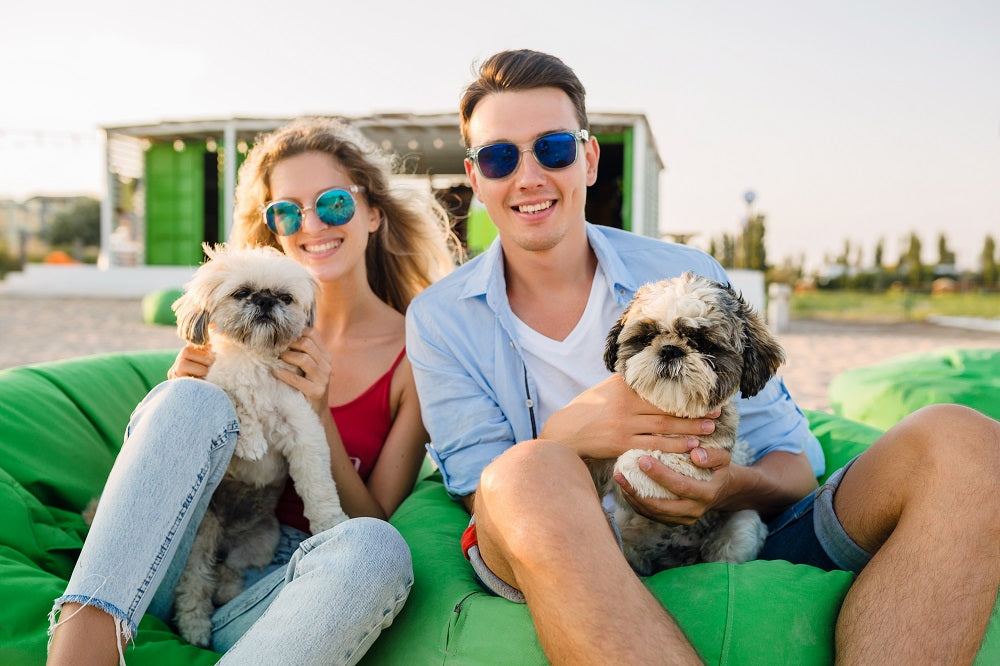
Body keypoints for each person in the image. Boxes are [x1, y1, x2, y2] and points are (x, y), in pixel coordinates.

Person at [405, 49, 1000, 665]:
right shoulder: (440, 318)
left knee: (964, 438)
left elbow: (795, 464)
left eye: (552, 148)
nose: (528, 176)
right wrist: (565, 438)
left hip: (733, 529)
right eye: (501, 157)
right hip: (565, 544)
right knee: (525, 473)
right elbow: (484, 493)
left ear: (588, 159)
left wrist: (724, 489)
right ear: (475, 178)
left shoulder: (684, 275)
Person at [47, 117, 461, 665]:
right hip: (172, 545)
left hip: (289, 581)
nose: (311, 223)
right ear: (272, 229)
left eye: (333, 203)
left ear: (373, 213)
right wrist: (181, 409)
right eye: (287, 210)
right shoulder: (228, 332)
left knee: (377, 550)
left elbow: (376, 514)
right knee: (188, 400)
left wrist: (318, 412)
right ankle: (80, 652)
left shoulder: (416, 352)